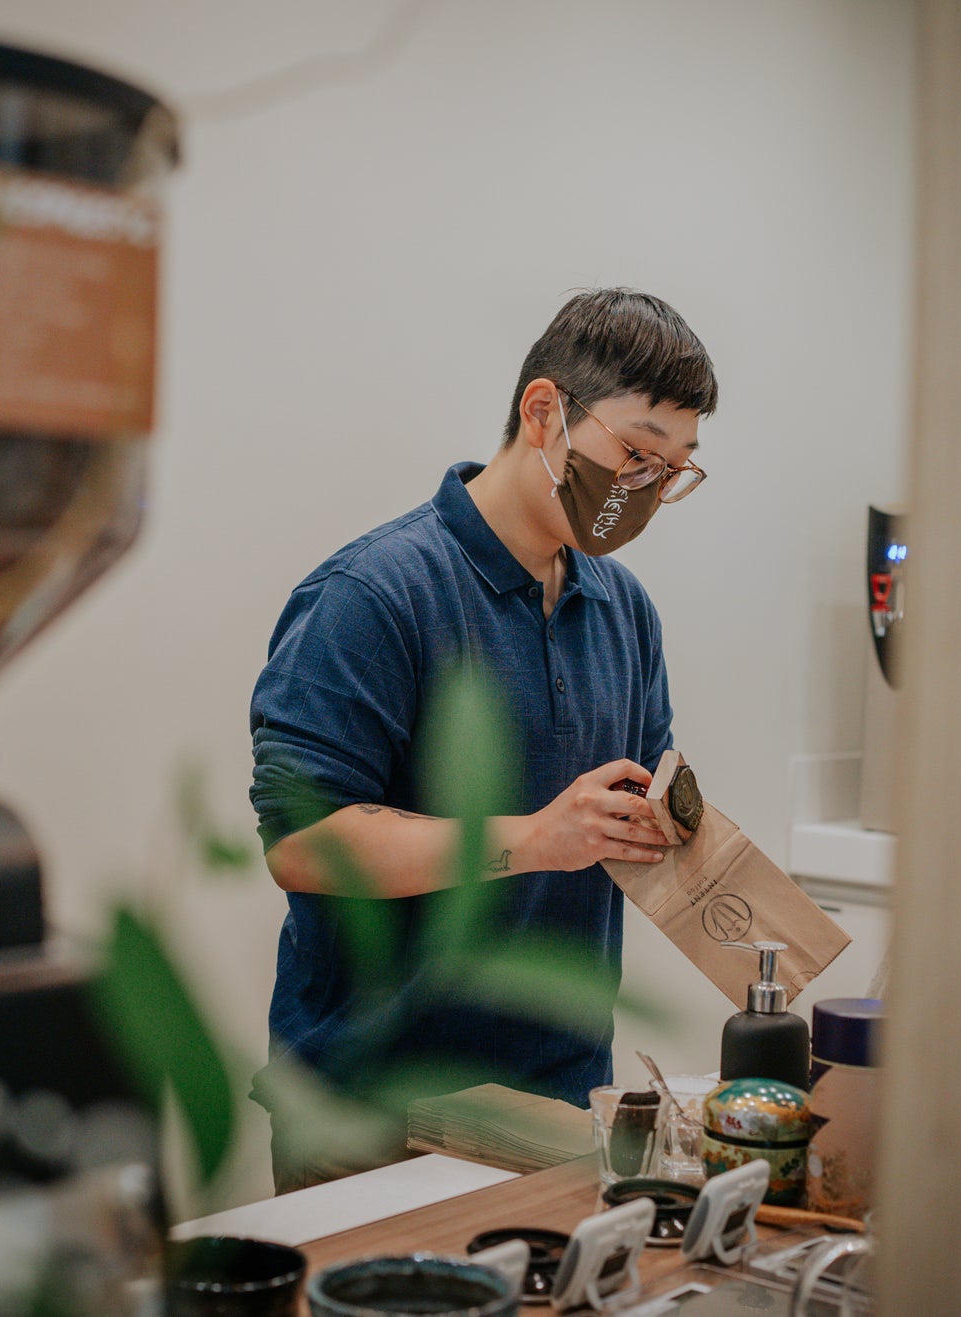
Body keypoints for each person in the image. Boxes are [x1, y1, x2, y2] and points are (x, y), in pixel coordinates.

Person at [248, 288, 716, 1192]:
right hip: (372, 1113)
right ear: (544, 412)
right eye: (635, 453)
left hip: (556, 1106)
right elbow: (305, 845)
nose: (647, 489)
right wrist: (538, 837)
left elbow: (636, 813)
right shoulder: (373, 595)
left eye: (675, 470)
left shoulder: (624, 611)